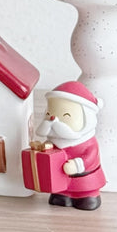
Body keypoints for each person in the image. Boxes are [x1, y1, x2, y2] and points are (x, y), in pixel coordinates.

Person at [33, 81, 105, 210]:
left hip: (84, 181)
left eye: (66, 116)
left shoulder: (87, 142)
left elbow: (90, 157)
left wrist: (77, 165)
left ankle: (87, 197)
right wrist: (45, 148)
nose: (54, 120)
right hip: (60, 183)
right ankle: (62, 196)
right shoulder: (54, 140)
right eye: (49, 114)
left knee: (86, 198)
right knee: (60, 195)